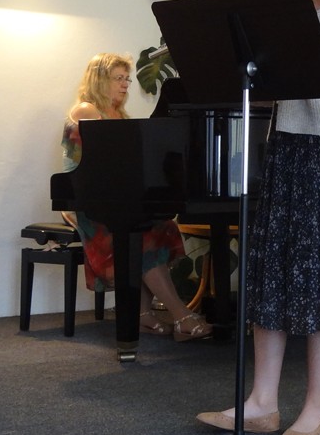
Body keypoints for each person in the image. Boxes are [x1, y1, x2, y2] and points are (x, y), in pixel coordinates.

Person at [196, 0, 320, 435]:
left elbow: (310, 85)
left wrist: (273, 45)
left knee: (318, 284)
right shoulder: (290, 12)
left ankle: (317, 409)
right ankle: (262, 403)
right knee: (270, 277)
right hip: (286, 151)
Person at [60, 53, 211, 342]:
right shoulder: (87, 110)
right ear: (99, 79)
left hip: (116, 197)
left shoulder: (120, 115)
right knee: (139, 235)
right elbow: (101, 164)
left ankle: (141, 315)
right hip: (88, 202)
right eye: (118, 78)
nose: (125, 84)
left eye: (127, 79)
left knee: (161, 227)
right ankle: (182, 316)